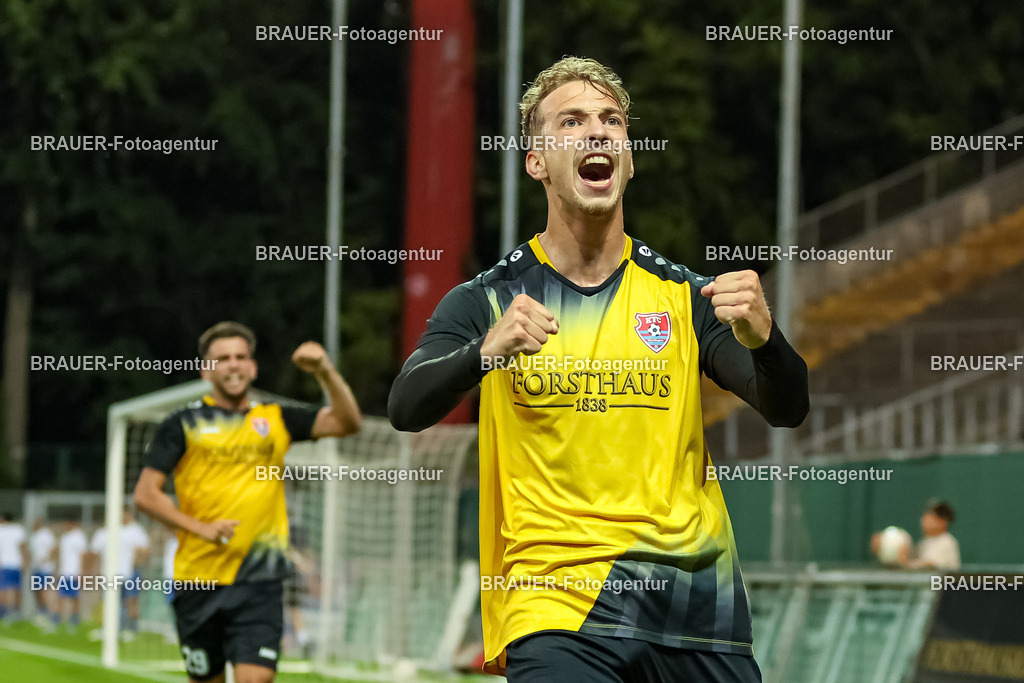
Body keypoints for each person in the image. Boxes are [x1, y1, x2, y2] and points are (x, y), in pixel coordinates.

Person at [388, 57, 809, 682]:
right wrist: (484, 353)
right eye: (573, 120)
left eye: (612, 120)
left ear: (629, 159)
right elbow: (405, 406)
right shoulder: (489, 301)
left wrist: (766, 339)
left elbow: (786, 406)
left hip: (694, 607)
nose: (598, 132)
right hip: (558, 609)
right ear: (537, 161)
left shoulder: (683, 298)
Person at [133, 321, 361, 683]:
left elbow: (348, 423)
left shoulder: (275, 418)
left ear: (253, 367)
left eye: (241, 357)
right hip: (199, 581)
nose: (234, 364)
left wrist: (325, 371)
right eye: (223, 358)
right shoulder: (182, 423)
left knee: (256, 679)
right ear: (207, 370)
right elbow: (146, 494)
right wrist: (200, 528)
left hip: (261, 579)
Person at [89, 506, 151, 639]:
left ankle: (129, 628)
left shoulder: (131, 531)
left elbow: (143, 548)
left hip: (126, 573)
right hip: (109, 574)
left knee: (128, 601)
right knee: (111, 602)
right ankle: (112, 628)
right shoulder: (104, 533)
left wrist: (136, 562)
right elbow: (95, 552)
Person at [871, 501, 961, 570]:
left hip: (944, 592)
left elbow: (930, 565)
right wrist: (883, 549)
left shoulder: (947, 542)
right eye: (926, 516)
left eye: (931, 517)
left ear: (943, 521)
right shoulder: (923, 543)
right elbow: (908, 561)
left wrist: (904, 563)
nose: (925, 519)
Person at [56, 513, 89, 629]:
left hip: (74, 572)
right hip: (64, 571)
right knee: (61, 597)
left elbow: (83, 556)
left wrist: (82, 572)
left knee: (74, 598)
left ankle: (74, 621)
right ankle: (58, 620)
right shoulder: (65, 537)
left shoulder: (79, 536)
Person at [28, 518, 57, 625]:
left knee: (46, 591)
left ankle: (51, 614)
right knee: (37, 590)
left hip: (46, 569)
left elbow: (54, 549)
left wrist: (47, 560)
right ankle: (41, 612)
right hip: (36, 568)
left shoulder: (47, 535)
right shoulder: (34, 536)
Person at [0, 512, 27, 622]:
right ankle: (16, 612)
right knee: (16, 588)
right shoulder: (18, 529)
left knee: (4, 589)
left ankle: (4, 612)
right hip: (16, 563)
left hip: (4, 563)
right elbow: (22, 546)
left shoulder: (1, 530)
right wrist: (25, 560)